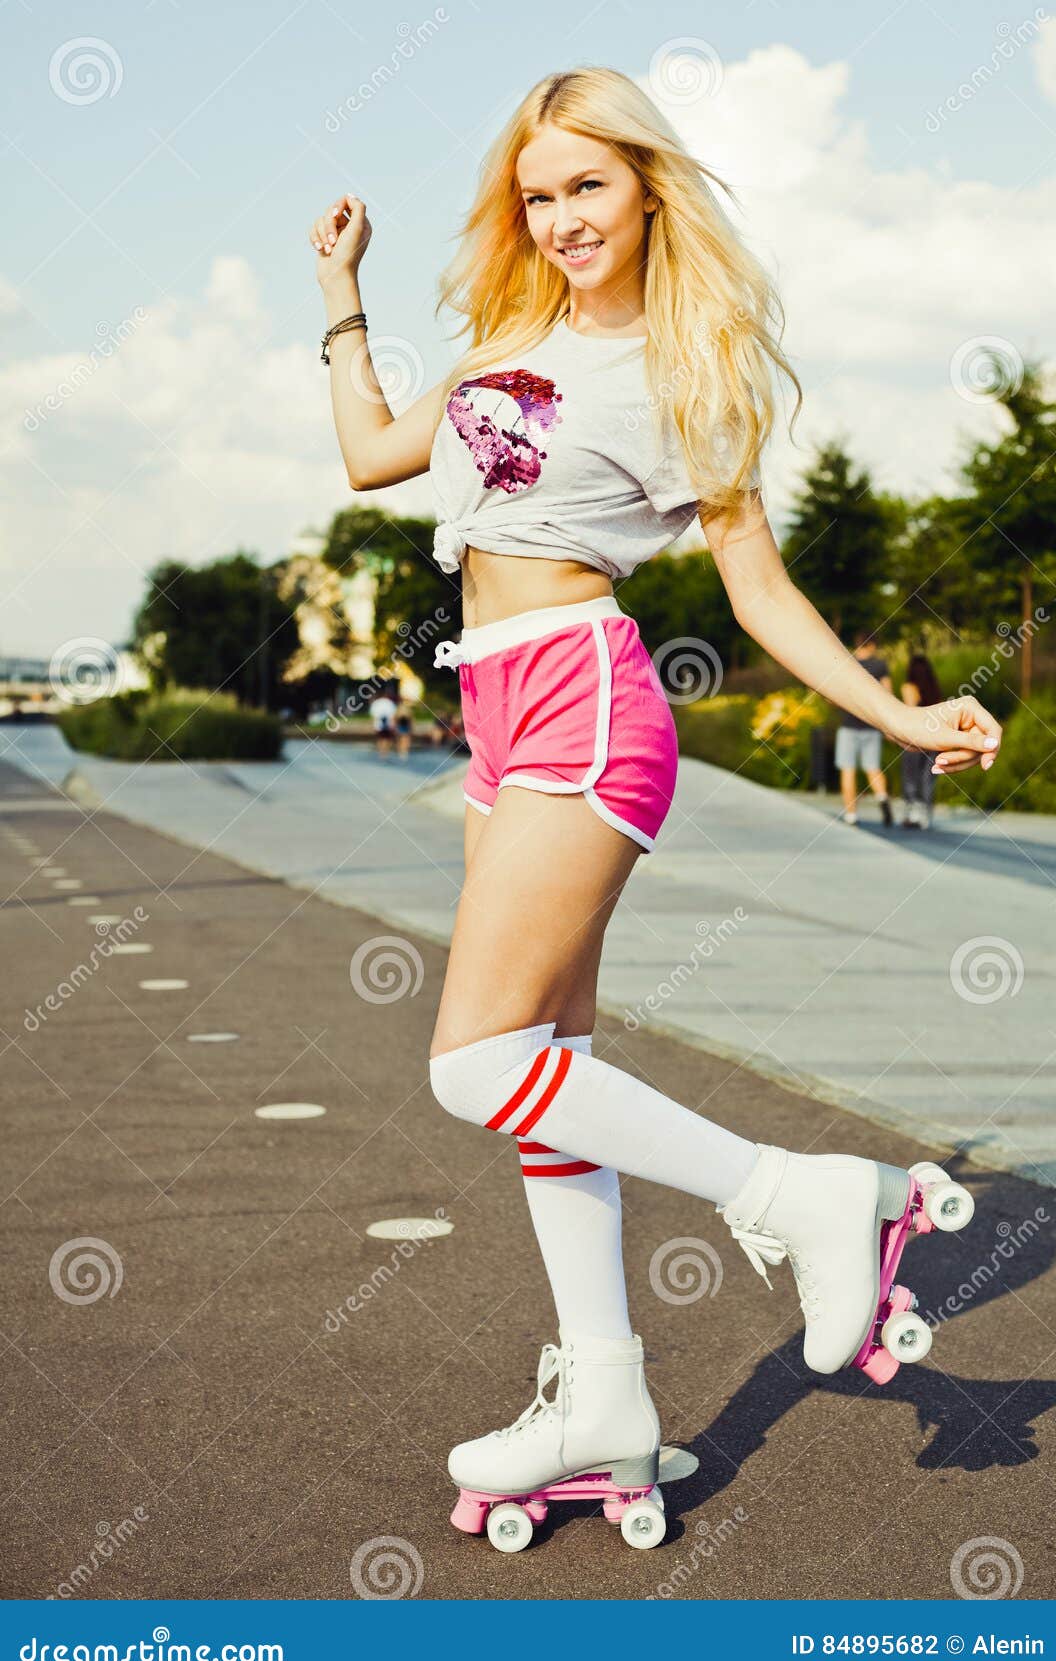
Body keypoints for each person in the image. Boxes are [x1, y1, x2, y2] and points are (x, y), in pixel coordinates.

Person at [310, 66, 1002, 1504]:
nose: (561, 216)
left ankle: (793, 1193)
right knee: (536, 1084)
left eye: (588, 186)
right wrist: (342, 295)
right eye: (539, 192)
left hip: (583, 691)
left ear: (645, 189)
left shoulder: (693, 367)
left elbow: (757, 588)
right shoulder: (512, 333)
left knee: (471, 1059)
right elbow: (377, 455)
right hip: (496, 703)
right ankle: (605, 1395)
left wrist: (896, 708)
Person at [835, 631, 894, 827]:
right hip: (871, 726)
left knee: (848, 770)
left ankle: (851, 815)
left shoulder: (848, 664)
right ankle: (882, 797)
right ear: (872, 645)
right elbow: (888, 695)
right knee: (873, 767)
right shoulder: (879, 666)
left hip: (849, 724)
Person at [899, 653, 944, 828]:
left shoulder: (909, 687)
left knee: (911, 776)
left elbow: (911, 711)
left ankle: (913, 813)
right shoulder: (934, 688)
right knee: (928, 777)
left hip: (914, 737)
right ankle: (926, 815)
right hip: (933, 737)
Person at [368, 689, 396, 756]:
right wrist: (393, 725)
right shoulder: (390, 703)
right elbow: (393, 716)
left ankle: (381, 752)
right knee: (387, 739)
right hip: (388, 724)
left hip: (378, 724)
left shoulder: (376, 703)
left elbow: (373, 716)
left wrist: (373, 725)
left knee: (380, 738)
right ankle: (385, 752)